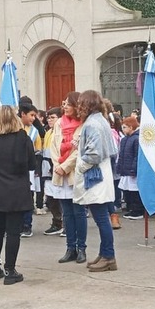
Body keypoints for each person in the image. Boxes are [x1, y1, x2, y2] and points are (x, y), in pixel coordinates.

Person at [0, 105, 36, 284]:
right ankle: (10, 270)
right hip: (16, 189)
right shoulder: (22, 138)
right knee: (13, 232)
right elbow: (31, 164)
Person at [74, 90, 119, 272]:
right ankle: (104, 253)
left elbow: (94, 153)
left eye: (80, 104)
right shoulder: (101, 120)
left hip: (96, 176)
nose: (78, 108)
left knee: (101, 219)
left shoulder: (93, 124)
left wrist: (80, 166)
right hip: (101, 174)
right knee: (101, 218)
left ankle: (109, 256)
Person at [47, 92, 87, 264]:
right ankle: (70, 247)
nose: (65, 107)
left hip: (74, 174)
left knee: (79, 212)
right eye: (64, 104)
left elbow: (80, 151)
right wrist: (57, 165)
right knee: (67, 214)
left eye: (68, 104)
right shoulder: (59, 124)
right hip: (60, 174)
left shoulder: (83, 125)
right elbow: (53, 146)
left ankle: (82, 248)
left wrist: (65, 166)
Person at [18, 102, 42, 238]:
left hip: (29, 169)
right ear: (23, 114)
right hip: (15, 168)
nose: (33, 118)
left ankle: (27, 225)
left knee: (28, 197)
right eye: (31, 115)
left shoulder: (34, 131)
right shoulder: (15, 128)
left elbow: (38, 150)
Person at [42, 107, 65, 235]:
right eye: (48, 117)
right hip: (47, 169)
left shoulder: (60, 132)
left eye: (53, 117)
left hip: (55, 168)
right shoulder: (48, 132)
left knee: (61, 198)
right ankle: (57, 222)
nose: (50, 120)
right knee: (50, 199)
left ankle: (65, 224)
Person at [117, 116, 143, 220]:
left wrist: (134, 168)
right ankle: (131, 209)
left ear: (131, 127)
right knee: (128, 191)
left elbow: (137, 156)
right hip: (125, 169)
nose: (122, 130)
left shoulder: (136, 139)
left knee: (135, 191)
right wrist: (119, 166)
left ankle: (138, 210)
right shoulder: (124, 140)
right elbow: (121, 155)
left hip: (132, 170)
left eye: (124, 127)